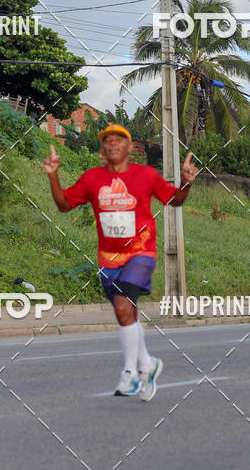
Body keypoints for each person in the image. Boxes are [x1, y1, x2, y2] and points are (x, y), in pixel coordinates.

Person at [44, 124, 198, 400]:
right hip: (108, 258)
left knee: (124, 305)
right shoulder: (92, 179)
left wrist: (186, 183)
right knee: (127, 314)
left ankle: (129, 374)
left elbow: (174, 201)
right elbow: (64, 205)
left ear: (130, 148)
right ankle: (148, 365)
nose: (113, 144)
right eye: (108, 141)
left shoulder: (146, 175)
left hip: (140, 253)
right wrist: (53, 175)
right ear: (102, 150)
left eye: (119, 140)